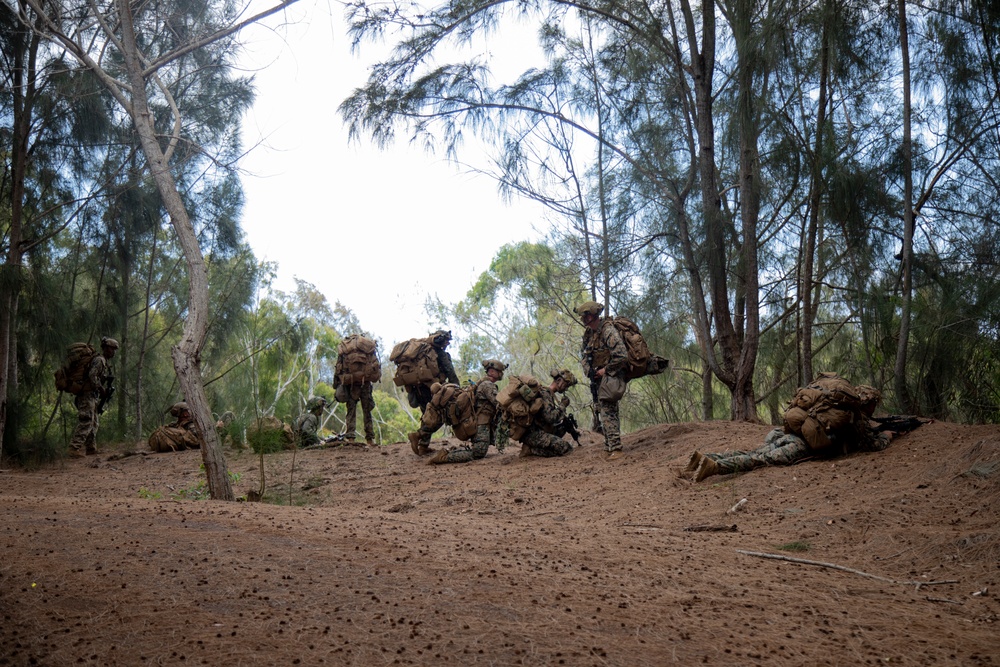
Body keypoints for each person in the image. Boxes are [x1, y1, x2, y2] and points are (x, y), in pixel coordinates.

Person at [685, 374, 898, 482]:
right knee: (760, 459)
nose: (873, 408)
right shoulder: (854, 417)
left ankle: (704, 458)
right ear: (869, 403)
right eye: (873, 405)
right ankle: (714, 467)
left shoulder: (832, 404)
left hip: (788, 433)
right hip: (802, 445)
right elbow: (872, 445)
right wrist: (887, 436)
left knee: (757, 452)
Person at [575, 301, 628, 460]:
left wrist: (605, 370)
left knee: (608, 410)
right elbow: (583, 355)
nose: (583, 319)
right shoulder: (589, 334)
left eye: (585, 316)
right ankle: (608, 446)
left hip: (610, 376)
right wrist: (588, 370)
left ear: (591, 315)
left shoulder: (607, 330)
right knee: (601, 409)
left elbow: (621, 355)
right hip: (596, 378)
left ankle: (616, 449)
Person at [426, 359, 507, 465]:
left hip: (480, 422)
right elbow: (498, 403)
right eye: (499, 371)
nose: (500, 374)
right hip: (481, 423)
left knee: (480, 449)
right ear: (493, 372)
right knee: (478, 453)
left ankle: (452, 453)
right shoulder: (487, 385)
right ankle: (444, 457)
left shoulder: (483, 383)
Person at [69, 336, 118, 458]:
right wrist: (101, 389)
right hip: (87, 395)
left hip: (91, 395)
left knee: (94, 422)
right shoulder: (100, 360)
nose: (114, 352)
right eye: (112, 349)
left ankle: (91, 448)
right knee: (86, 420)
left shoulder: (103, 361)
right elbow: (92, 375)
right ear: (106, 348)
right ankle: (73, 448)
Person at [516, 369, 579, 459]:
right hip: (533, 434)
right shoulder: (545, 394)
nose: (566, 388)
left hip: (538, 431)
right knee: (565, 448)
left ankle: (533, 446)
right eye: (566, 384)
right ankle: (531, 450)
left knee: (563, 427)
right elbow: (550, 418)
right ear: (559, 381)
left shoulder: (548, 393)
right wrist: (563, 406)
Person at [334, 337, 378, 447]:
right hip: (365, 384)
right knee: (367, 411)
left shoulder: (345, 349)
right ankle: (370, 439)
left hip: (350, 383)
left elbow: (338, 369)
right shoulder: (368, 348)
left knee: (351, 410)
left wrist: (336, 384)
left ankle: (351, 438)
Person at [407, 329, 460, 413]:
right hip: (433, 391)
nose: (448, 343)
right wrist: (457, 390)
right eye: (446, 341)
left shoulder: (420, 352)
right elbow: (450, 373)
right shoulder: (441, 354)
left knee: (427, 417)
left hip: (419, 392)